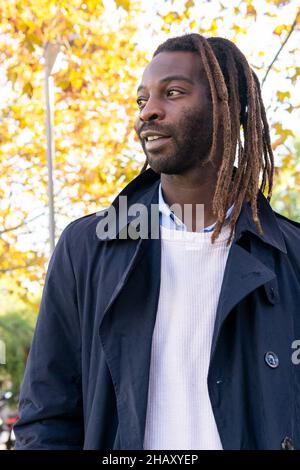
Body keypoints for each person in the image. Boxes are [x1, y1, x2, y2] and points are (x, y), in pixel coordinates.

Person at [14, 33, 300, 450]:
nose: (148, 112)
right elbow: (47, 416)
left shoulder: (291, 257)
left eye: (173, 93)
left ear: (228, 108)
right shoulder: (88, 248)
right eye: (141, 99)